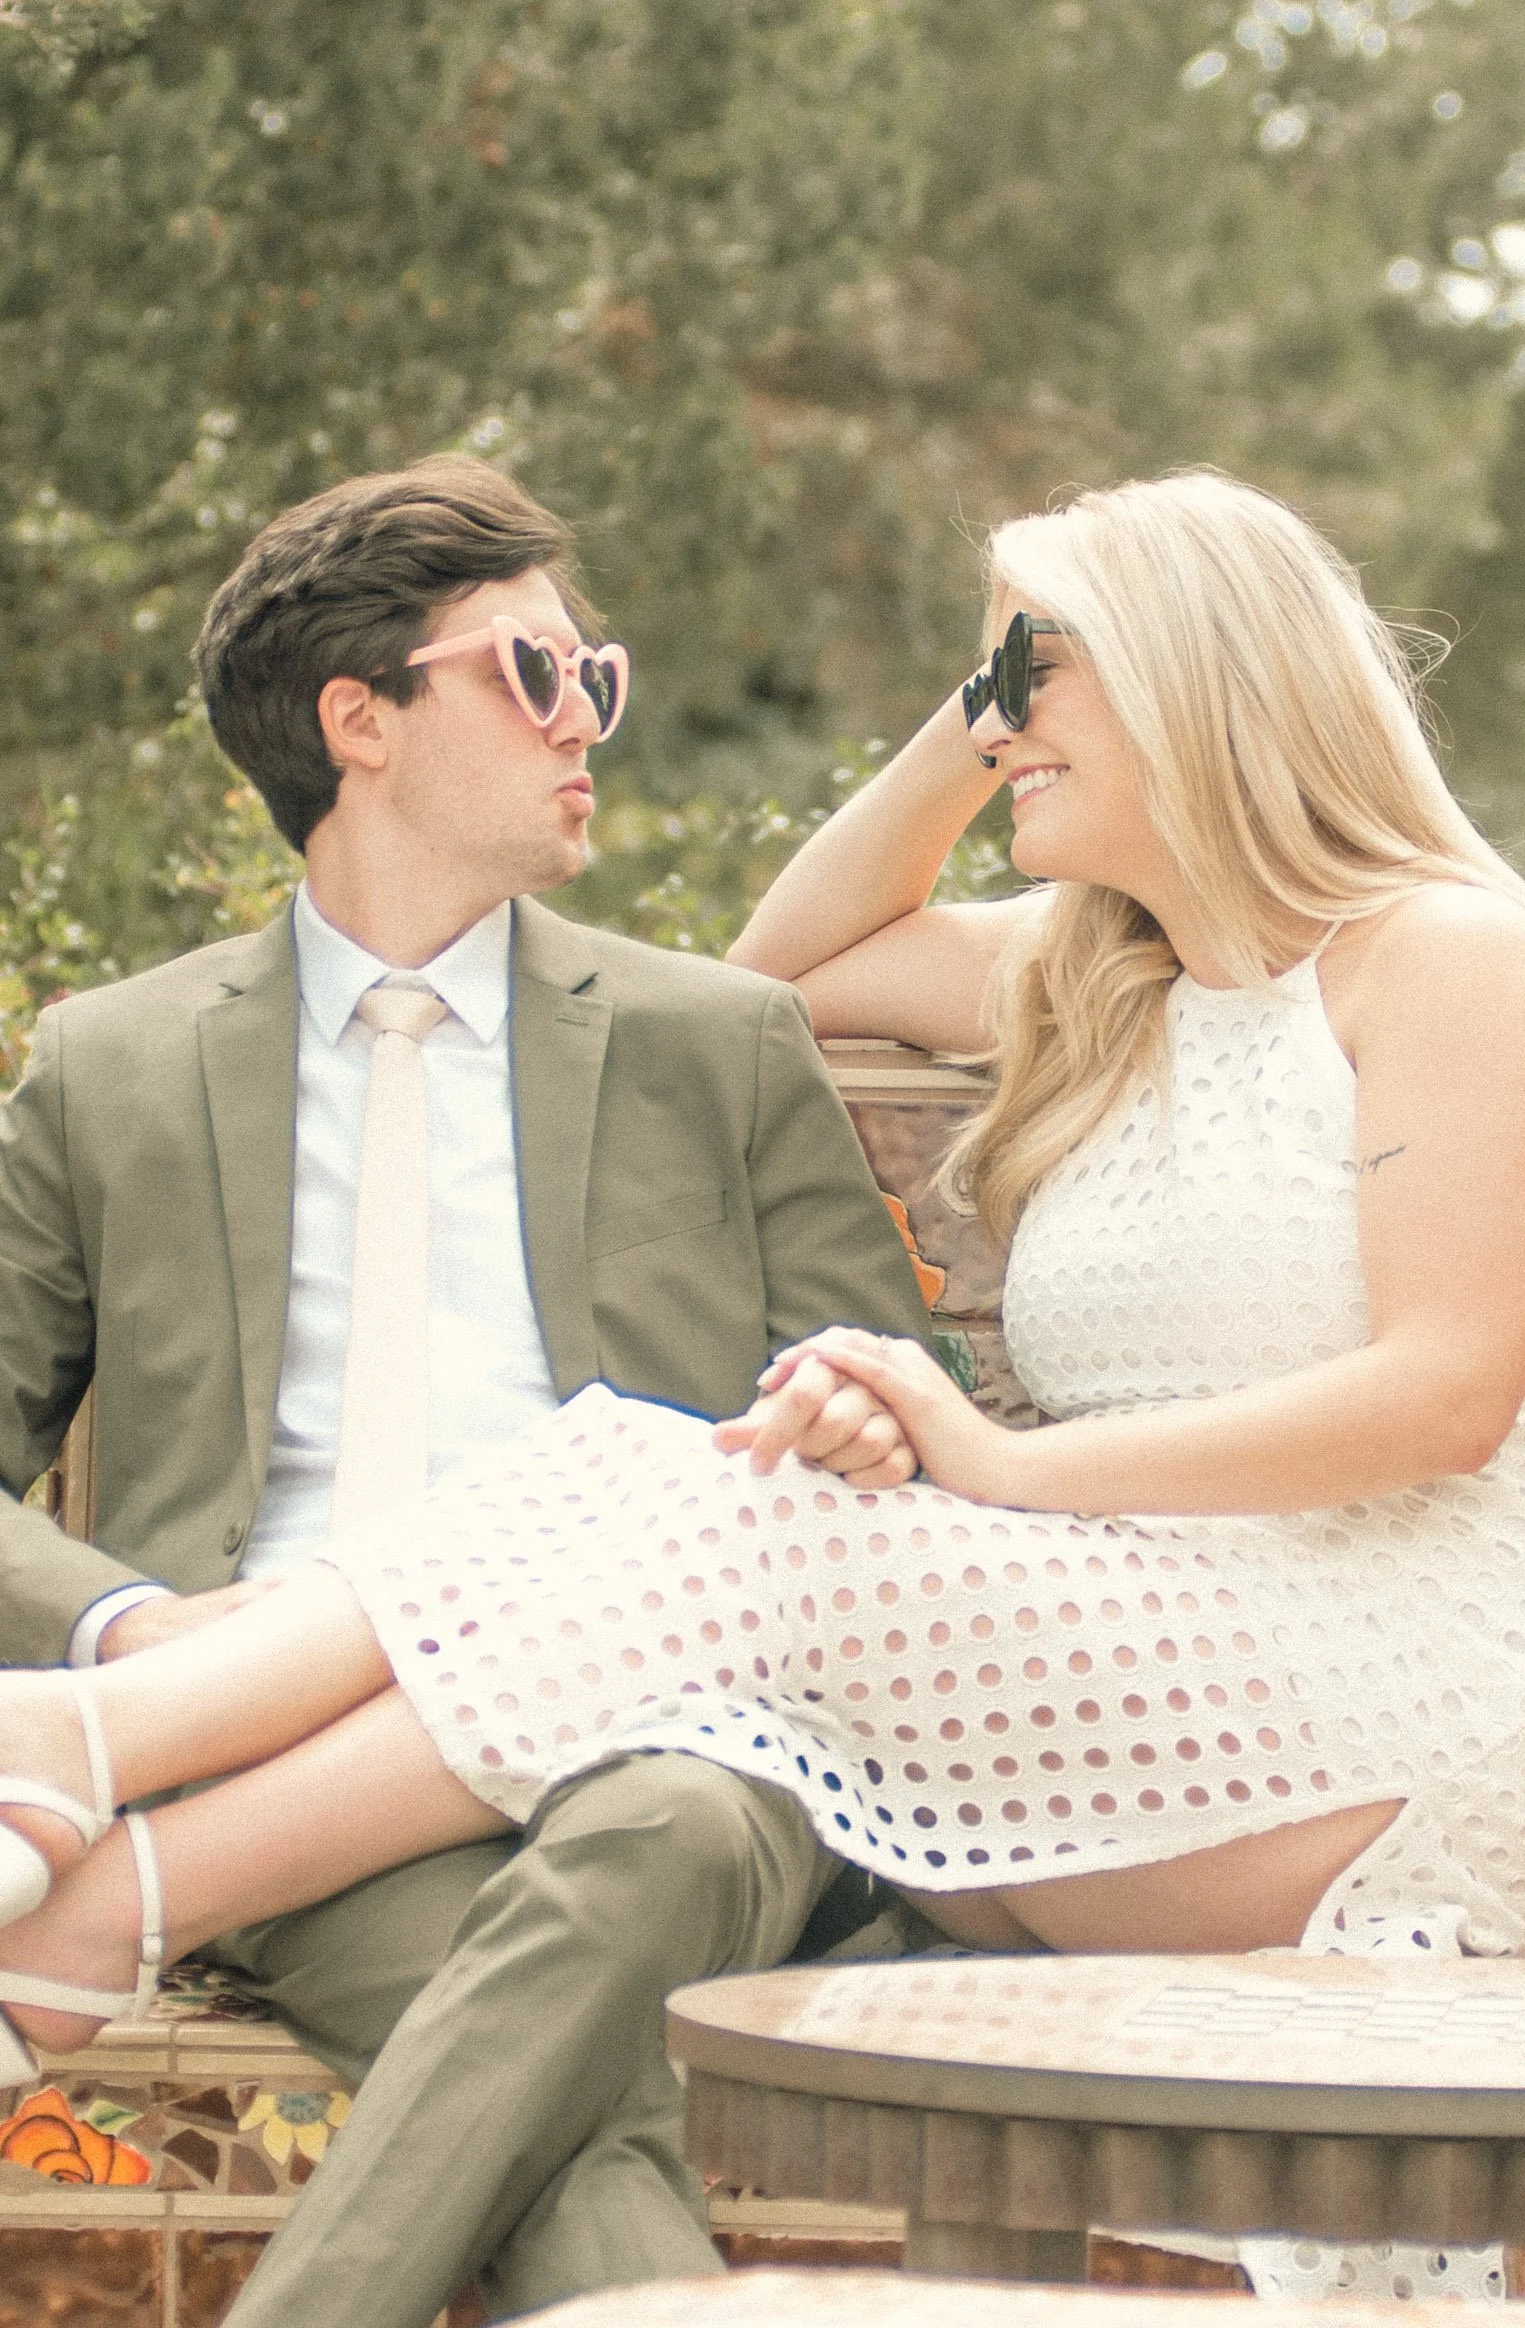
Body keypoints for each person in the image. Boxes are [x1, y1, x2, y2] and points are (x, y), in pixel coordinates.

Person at [3, 461, 1525, 2298]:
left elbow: (1449, 1397)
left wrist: (987, 1464)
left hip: (1388, 1712)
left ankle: (95, 1793)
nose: (1004, 724)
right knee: (666, 1477)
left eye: (1038, 671)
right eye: (999, 680)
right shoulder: (1105, 979)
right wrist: (991, 705)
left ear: (1196, 672)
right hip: (1142, 1688)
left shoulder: (1449, 953)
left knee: (716, 1503)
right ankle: (109, 1827)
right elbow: (796, 963)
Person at [0, 456, 936, 2321]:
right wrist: (137, 1631)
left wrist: (861, 1417)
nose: (586, 717)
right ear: (358, 720)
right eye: (533, 671)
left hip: (684, 1720)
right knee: (574, 2110)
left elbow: (893, 1405)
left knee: (678, 1824)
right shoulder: (112, 1066)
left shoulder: (716, 1043)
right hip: (290, 1761)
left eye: (599, 674)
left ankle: (137, 1892)